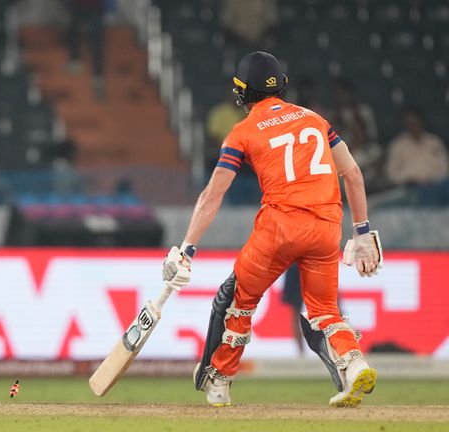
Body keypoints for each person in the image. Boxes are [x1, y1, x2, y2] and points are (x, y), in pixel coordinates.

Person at [161, 52, 383, 408]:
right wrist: (362, 230)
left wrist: (187, 248)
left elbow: (214, 192)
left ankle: (219, 380)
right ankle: (354, 363)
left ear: (242, 93)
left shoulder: (243, 130)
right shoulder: (316, 119)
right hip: (327, 227)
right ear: (281, 85)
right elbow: (353, 174)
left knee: (239, 302)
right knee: (325, 310)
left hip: (279, 229)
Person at [384, 107, 449, 205]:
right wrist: (409, 179)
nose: (413, 126)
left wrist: (430, 180)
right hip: (410, 189)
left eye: (415, 122)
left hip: (434, 187)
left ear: (422, 122)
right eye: (409, 123)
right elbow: (391, 173)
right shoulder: (398, 146)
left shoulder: (434, 142)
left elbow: (445, 169)